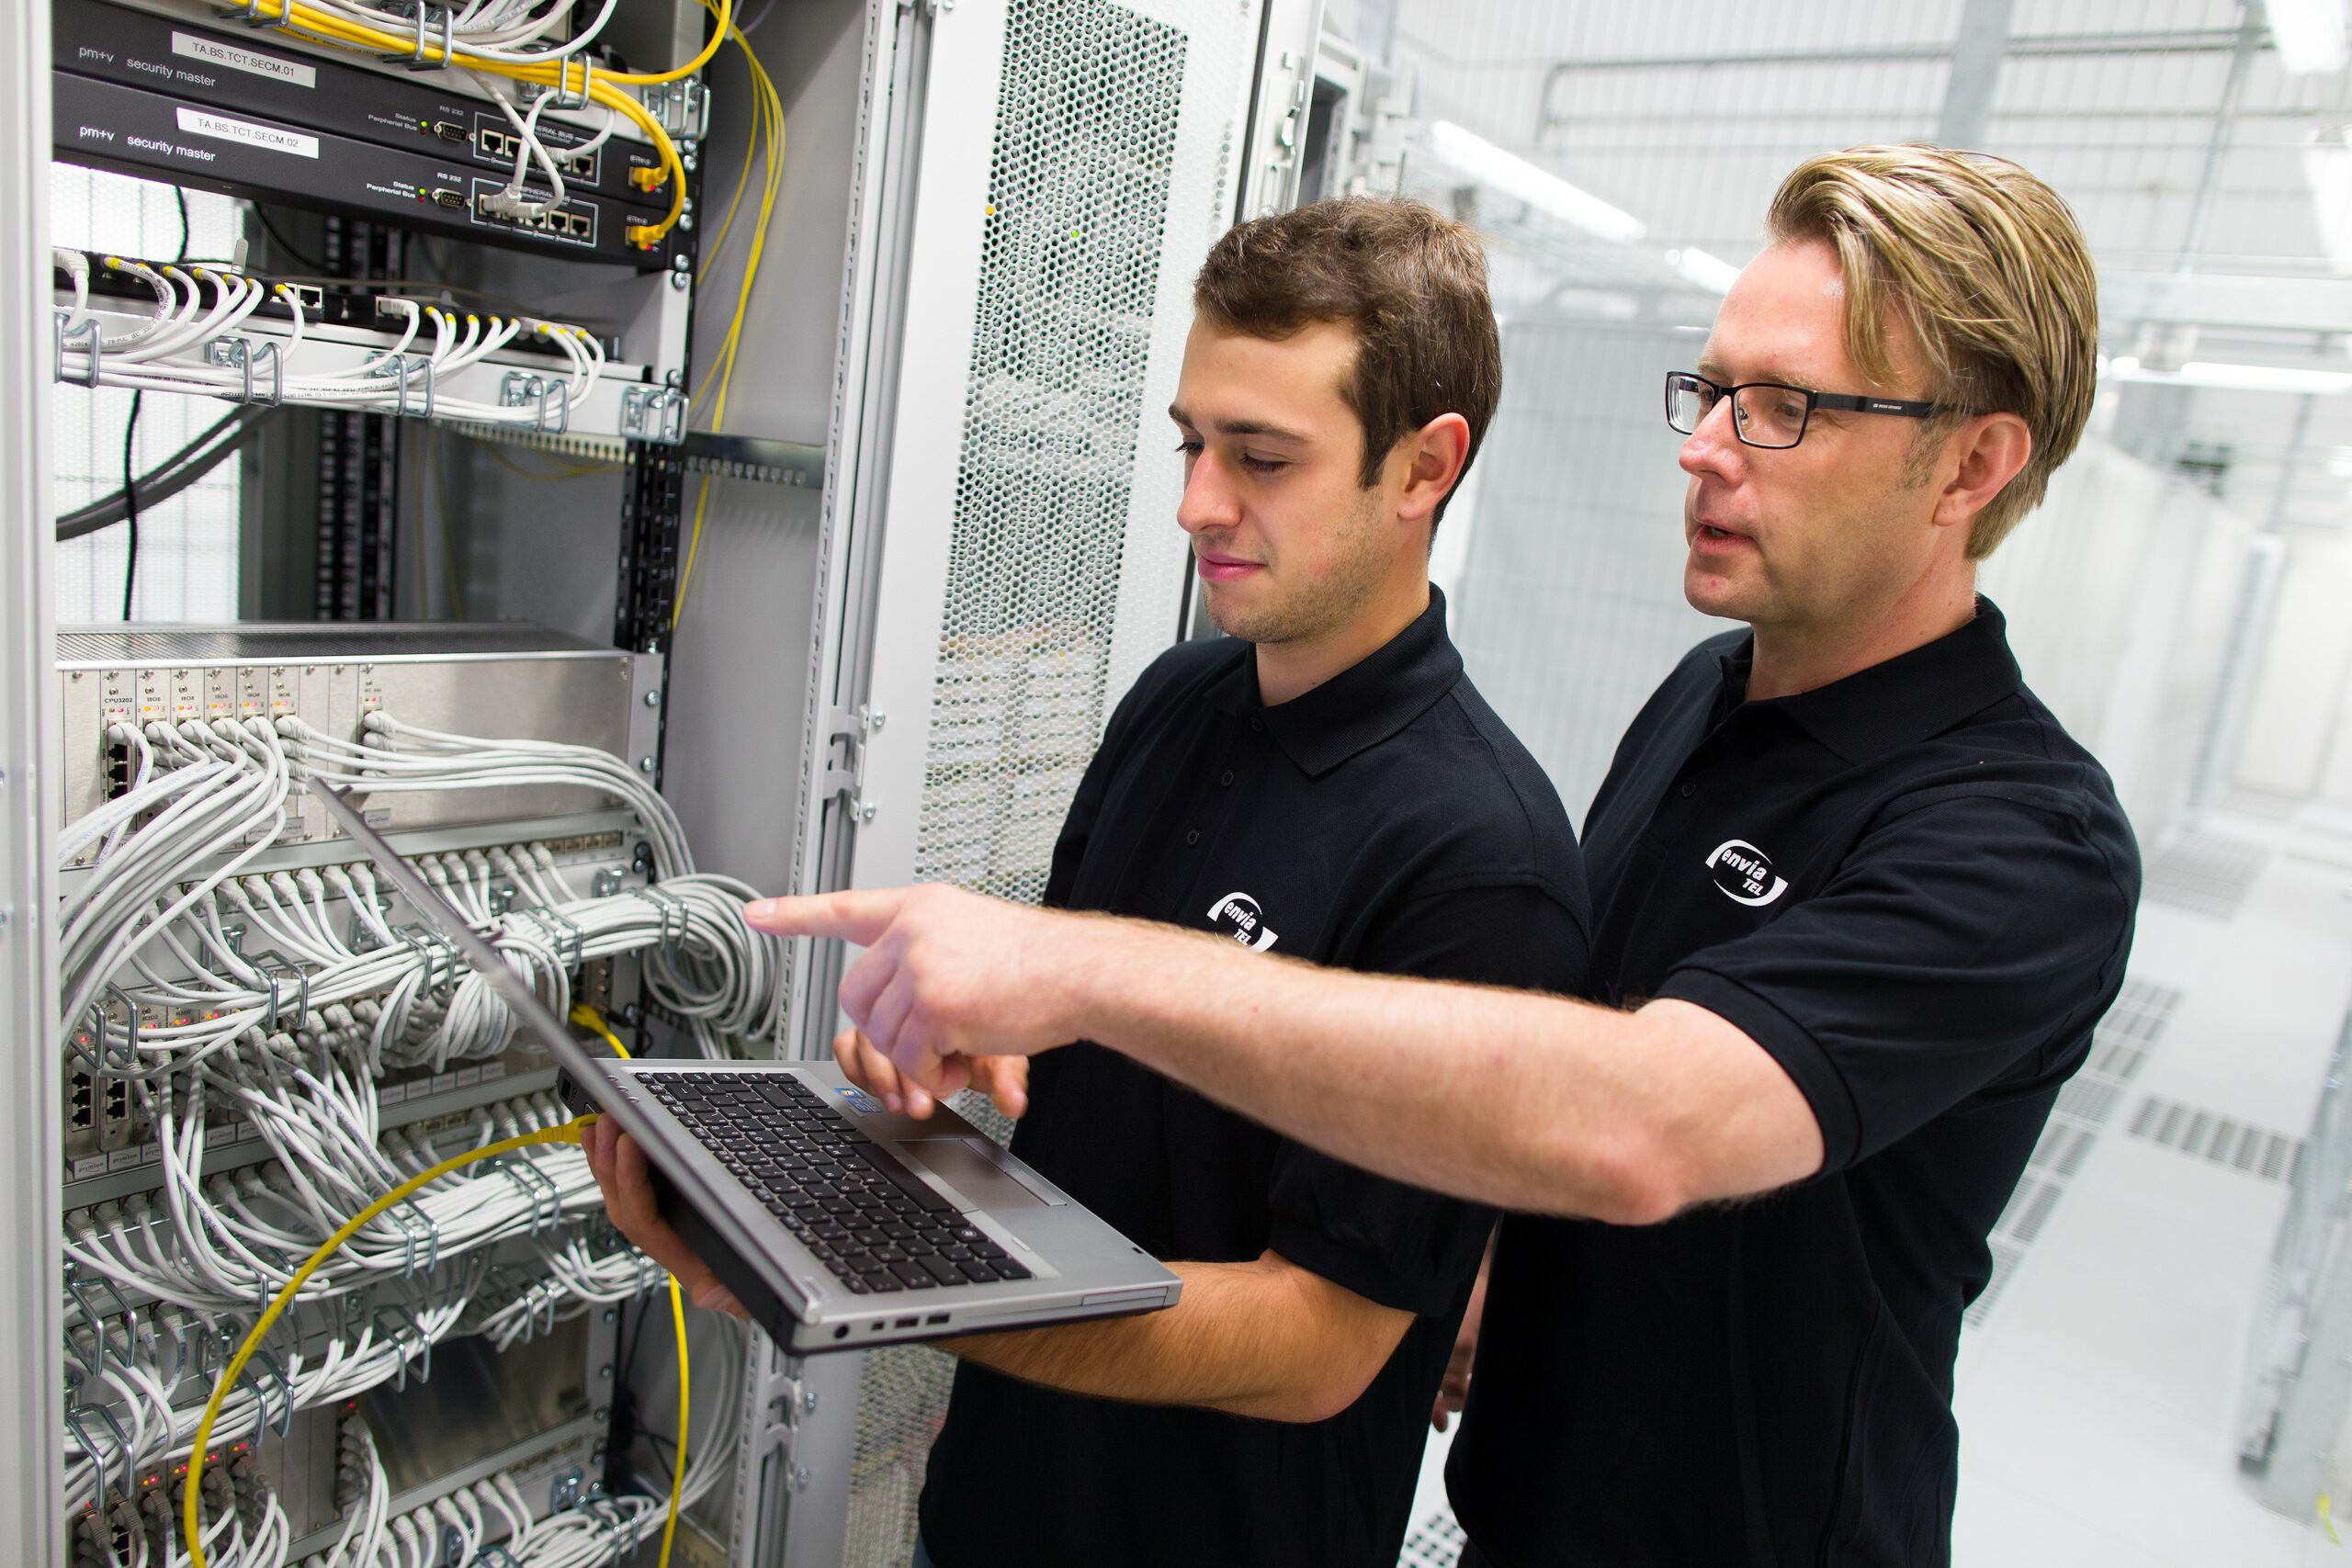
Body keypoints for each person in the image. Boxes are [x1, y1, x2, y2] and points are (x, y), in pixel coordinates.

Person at [740, 144, 2143, 1566]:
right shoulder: (1710, 702)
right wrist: (1466, 1253)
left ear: (1972, 461)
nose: (1706, 444)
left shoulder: (2023, 842)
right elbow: (1570, 1060)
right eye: (1713, 390)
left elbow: (1650, 1123)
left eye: (1784, 409)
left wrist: (1080, 976)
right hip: (1516, 1521)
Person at [586, 197, 1591, 1567]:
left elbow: (1320, 1343)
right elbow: (1066, 1072)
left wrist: (870, 1281)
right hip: (995, 1505)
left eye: (1262, 458)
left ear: (1424, 467)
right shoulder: (1180, 701)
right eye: (1192, 443)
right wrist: (947, 1060)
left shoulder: (1484, 863)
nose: (1195, 504)